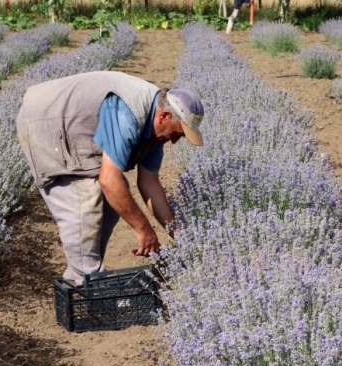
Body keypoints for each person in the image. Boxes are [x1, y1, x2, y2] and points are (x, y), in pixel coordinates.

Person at [16, 71, 205, 286]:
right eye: (178, 133)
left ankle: (81, 278)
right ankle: (88, 288)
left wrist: (179, 235)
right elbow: (108, 179)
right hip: (46, 121)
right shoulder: (129, 113)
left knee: (112, 203)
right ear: (165, 116)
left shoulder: (155, 132)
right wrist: (143, 229)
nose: (175, 141)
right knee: (84, 204)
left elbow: (149, 183)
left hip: (77, 133)